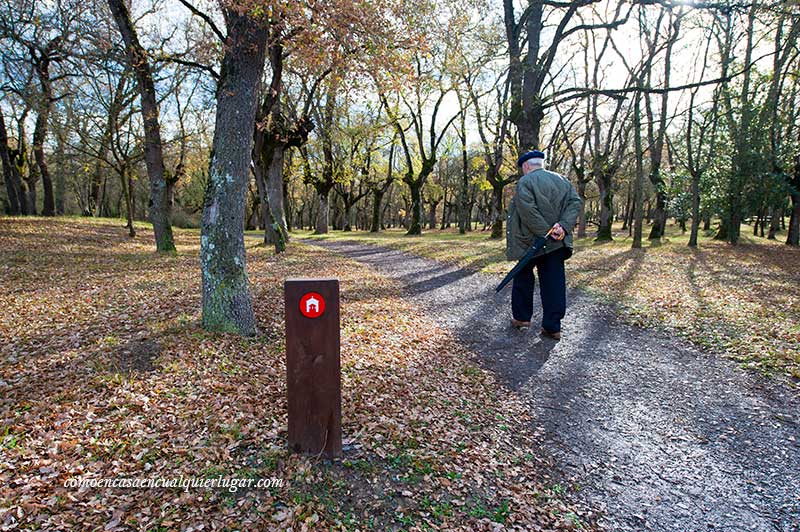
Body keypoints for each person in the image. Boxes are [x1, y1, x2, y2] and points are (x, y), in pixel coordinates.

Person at [505, 150, 583, 340]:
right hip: (557, 243)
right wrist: (562, 228)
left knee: (523, 278)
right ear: (541, 163)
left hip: (529, 242)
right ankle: (552, 326)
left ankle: (522, 319)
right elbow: (575, 203)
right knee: (554, 283)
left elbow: (528, 212)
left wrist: (547, 233)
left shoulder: (525, 181)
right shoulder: (563, 180)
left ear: (525, 166)